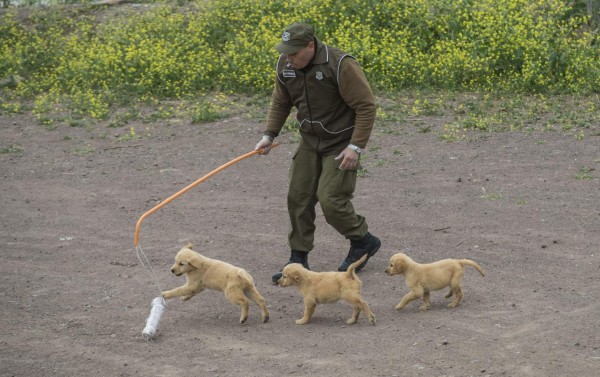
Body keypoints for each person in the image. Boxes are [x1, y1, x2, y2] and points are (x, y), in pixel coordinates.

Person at [255, 22, 380, 283]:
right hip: (310, 142)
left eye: (294, 52)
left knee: (331, 200)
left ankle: (363, 241)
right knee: (298, 197)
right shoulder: (286, 65)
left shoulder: (340, 64)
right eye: (285, 52)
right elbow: (281, 101)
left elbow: (366, 106)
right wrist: (269, 135)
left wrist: (355, 147)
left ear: (310, 46)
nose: (288, 58)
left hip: (341, 144)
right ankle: (298, 259)